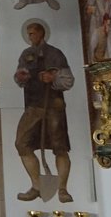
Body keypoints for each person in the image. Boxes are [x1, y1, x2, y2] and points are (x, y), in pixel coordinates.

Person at [13, 20, 74, 203]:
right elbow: (20, 76)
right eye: (28, 34)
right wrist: (20, 77)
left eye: (32, 33)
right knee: (21, 143)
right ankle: (37, 186)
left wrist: (53, 78)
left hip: (53, 106)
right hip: (33, 106)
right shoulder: (26, 54)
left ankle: (62, 189)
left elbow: (68, 80)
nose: (30, 37)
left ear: (41, 34)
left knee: (60, 147)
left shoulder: (55, 54)